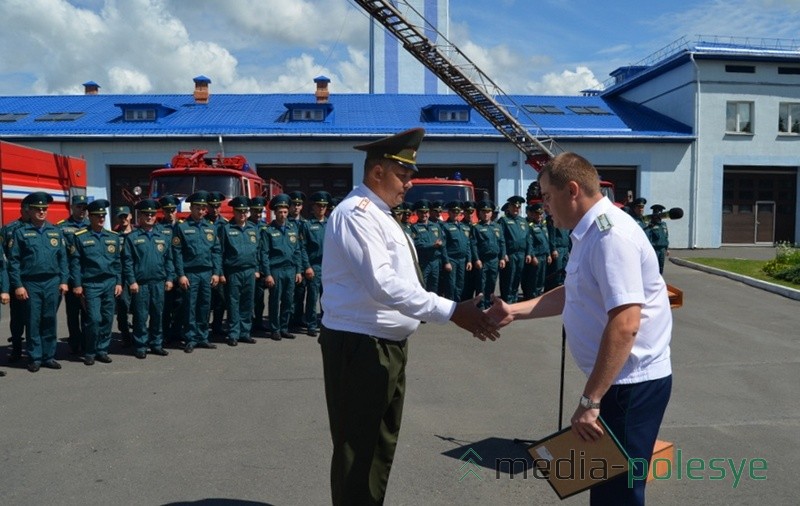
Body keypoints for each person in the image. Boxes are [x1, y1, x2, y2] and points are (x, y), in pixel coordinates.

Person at [318, 127, 500, 505]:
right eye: (403, 175)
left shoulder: (382, 214)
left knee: (379, 445)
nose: (409, 184)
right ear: (377, 172)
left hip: (384, 344)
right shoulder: (356, 213)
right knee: (358, 448)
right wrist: (450, 311)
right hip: (361, 346)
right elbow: (382, 283)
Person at [488, 152, 673, 506]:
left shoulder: (610, 237)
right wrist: (514, 309)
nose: (541, 205)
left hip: (629, 386)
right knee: (604, 487)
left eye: (545, 195)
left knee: (620, 493)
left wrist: (590, 401)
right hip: (616, 383)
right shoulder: (589, 232)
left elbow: (625, 324)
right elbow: (575, 293)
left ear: (572, 190)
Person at [8, 191, 69, 372]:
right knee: (33, 321)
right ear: (30, 210)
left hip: (52, 282)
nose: (41, 212)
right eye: (37, 209)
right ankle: (35, 357)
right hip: (31, 283)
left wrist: (64, 280)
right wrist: (18, 285)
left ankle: (48, 356)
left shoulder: (55, 232)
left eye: (44, 209)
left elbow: (63, 259)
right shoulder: (21, 233)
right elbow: (13, 262)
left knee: (49, 319)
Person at [70, 199, 123, 365]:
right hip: (91, 284)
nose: (101, 219)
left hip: (109, 282)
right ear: (90, 217)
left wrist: (119, 282)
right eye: (97, 216)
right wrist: (77, 284)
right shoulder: (80, 237)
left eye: (103, 216)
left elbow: (117, 262)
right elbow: (75, 263)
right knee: (93, 319)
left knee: (107, 318)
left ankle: (102, 350)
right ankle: (90, 351)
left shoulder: (113, 237)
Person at [122, 199, 174, 359]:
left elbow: (169, 259)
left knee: (157, 314)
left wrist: (170, 278)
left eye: (152, 214)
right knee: (140, 316)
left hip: (158, 282)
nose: (150, 217)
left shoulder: (162, 235)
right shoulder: (132, 237)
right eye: (146, 214)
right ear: (140, 216)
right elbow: (127, 261)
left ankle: (156, 344)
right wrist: (132, 281)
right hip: (141, 284)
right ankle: (140, 345)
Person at [172, 191, 222, 353]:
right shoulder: (182, 227)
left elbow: (216, 251)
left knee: (204, 306)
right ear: (191, 208)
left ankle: (203, 337)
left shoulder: (210, 227)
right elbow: (177, 253)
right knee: (190, 306)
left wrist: (216, 272)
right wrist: (181, 275)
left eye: (203, 208)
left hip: (207, 273)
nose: (201, 211)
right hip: (190, 273)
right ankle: (190, 338)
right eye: (198, 208)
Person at [259, 194, 303, 340]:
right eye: (280, 212)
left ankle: (284, 327)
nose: (283, 215)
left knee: (288, 301)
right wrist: (268, 274)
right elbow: (264, 254)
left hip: (290, 270)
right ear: (275, 213)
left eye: (285, 212)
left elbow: (297, 251)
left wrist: (298, 271)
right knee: (274, 300)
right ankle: (275, 329)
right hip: (276, 270)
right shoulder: (268, 230)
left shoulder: (292, 228)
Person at [217, 196, 260, 346]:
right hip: (233, 272)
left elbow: (258, 251)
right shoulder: (226, 229)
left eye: (245, 211)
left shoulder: (253, 228)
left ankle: (245, 332)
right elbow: (220, 253)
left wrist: (257, 268)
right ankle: (233, 333)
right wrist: (221, 273)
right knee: (233, 303)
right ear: (234, 212)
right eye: (239, 211)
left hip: (249, 271)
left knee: (247, 303)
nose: (242, 214)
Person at [56, 194, 89, 355]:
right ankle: (75, 342)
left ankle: (86, 341)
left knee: (87, 311)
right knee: (73, 312)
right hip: (70, 276)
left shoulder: (92, 225)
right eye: (79, 207)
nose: (82, 210)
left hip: (87, 275)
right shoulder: (61, 227)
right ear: (72, 207)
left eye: (84, 207)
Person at [2, 198, 31, 363]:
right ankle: (17, 349)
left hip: (33, 280)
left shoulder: (40, 227)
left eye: (30, 209)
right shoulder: (8, 229)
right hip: (16, 279)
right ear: (21, 210)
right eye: (25, 209)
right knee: (18, 317)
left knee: (34, 317)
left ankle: (34, 350)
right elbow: (4, 259)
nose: (28, 212)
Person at [299, 191, 330, 337]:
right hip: (314, 266)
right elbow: (302, 248)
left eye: (324, 206)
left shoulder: (331, 223)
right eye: (319, 206)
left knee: (328, 298)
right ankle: (311, 324)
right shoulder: (307, 225)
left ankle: (326, 323)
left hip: (329, 267)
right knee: (312, 298)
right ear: (313, 207)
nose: (322, 208)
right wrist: (307, 266)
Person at [410, 199, 451, 293]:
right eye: (421, 212)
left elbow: (442, 244)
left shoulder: (436, 227)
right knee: (422, 287)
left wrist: (446, 261)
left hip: (435, 262)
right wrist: (432, 245)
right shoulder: (414, 228)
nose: (424, 215)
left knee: (434, 288)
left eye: (426, 212)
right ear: (417, 213)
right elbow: (416, 244)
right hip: (423, 262)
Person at [473, 199, 506, 308]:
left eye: (488, 212)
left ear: (492, 213)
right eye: (483, 212)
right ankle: (481, 305)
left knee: (491, 283)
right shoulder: (476, 228)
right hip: (483, 260)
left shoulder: (497, 227)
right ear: (480, 213)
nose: (486, 214)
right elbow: (473, 245)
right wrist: (476, 259)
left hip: (494, 260)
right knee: (481, 284)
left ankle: (489, 304)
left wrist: (502, 258)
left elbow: (502, 243)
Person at [440, 200, 475, 301]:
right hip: (452, 260)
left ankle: (458, 306)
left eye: (457, 212)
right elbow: (443, 246)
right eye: (453, 212)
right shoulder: (445, 227)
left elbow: (467, 244)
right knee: (451, 285)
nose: (455, 214)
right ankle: (450, 308)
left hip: (462, 260)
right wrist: (446, 262)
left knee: (460, 284)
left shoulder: (464, 227)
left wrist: (469, 260)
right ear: (449, 213)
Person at [498, 195, 530, 303]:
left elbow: (528, 238)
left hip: (521, 254)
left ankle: (514, 298)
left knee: (517, 277)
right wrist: (503, 254)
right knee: (508, 278)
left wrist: (529, 253)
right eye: (514, 207)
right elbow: (501, 239)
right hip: (510, 254)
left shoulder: (523, 221)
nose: (516, 209)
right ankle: (506, 299)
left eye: (518, 207)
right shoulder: (504, 221)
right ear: (509, 207)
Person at [113, 205, 135, 346]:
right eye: (120, 217)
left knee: (139, 307)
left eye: (125, 216)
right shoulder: (113, 236)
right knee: (122, 306)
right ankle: (125, 333)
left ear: (131, 216)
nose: (123, 219)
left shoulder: (138, 233)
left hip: (136, 275)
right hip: (122, 276)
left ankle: (139, 333)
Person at [248, 196, 269, 331]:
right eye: (255, 211)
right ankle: (248, 322)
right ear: (251, 210)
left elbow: (265, 250)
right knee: (248, 298)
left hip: (261, 268)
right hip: (250, 267)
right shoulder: (247, 225)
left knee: (260, 299)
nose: (257, 214)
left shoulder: (264, 227)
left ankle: (259, 322)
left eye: (260, 211)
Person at [520, 202, 551, 299]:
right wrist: (532, 256)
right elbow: (530, 243)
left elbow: (546, 241)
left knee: (541, 279)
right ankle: (531, 297)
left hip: (544, 256)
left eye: (541, 214)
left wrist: (548, 254)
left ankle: (537, 295)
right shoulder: (530, 226)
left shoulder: (543, 226)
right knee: (533, 279)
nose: (539, 216)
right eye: (537, 214)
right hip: (536, 257)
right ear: (533, 214)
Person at [646, 204, 670, 274]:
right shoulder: (650, 225)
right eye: (656, 213)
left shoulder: (663, 224)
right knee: (653, 267)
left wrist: (667, 248)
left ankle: (660, 280)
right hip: (654, 249)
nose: (658, 216)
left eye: (660, 213)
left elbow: (666, 236)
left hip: (662, 249)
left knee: (661, 267)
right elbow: (648, 238)